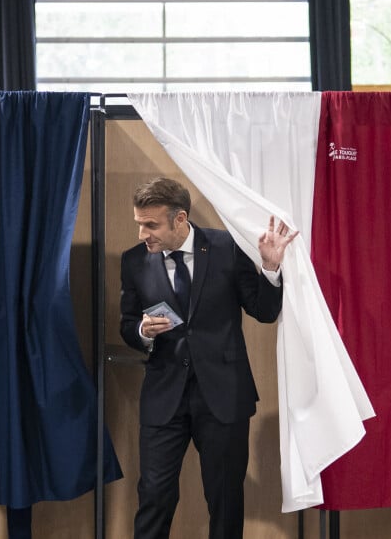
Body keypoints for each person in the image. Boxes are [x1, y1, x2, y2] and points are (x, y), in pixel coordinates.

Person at [120, 177, 297, 539]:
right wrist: (141, 332)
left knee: (225, 499)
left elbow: (263, 311)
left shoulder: (228, 247)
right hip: (163, 397)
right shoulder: (134, 261)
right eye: (139, 223)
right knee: (154, 495)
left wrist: (270, 268)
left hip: (223, 396)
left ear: (180, 219)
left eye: (150, 224)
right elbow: (127, 323)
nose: (142, 234)